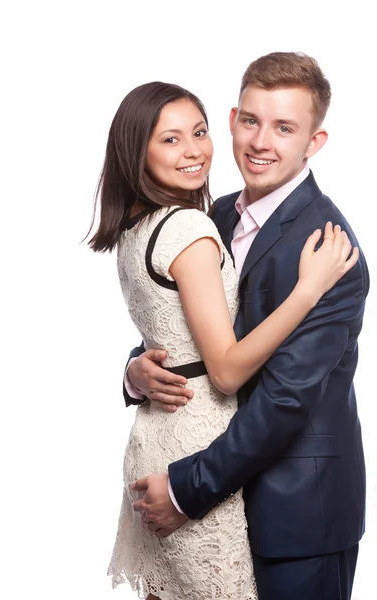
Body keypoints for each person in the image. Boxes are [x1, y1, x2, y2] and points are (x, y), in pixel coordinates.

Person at [91, 78, 358, 600]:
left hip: (296, 515)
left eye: (284, 128)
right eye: (252, 121)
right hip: (211, 486)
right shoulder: (211, 215)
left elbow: (285, 398)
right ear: (234, 119)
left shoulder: (330, 253)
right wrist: (136, 370)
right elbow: (186, 325)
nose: (261, 142)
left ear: (314, 141)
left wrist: (188, 490)